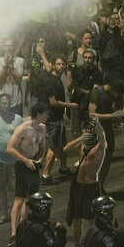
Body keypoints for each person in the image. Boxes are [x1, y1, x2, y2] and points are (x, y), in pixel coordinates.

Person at [5, 103, 48, 247]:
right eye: (45, 113)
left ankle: (23, 230)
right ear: (38, 115)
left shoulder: (42, 128)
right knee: (19, 199)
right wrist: (25, 160)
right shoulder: (23, 129)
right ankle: (13, 234)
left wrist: (39, 159)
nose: (47, 116)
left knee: (30, 199)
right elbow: (9, 148)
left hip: (33, 165)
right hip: (23, 165)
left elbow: (42, 147)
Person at [64, 119, 106, 245]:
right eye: (86, 129)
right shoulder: (82, 145)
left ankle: (93, 245)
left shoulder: (99, 147)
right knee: (77, 219)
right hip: (78, 186)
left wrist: (98, 124)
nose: (88, 132)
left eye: (90, 130)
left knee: (92, 220)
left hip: (91, 187)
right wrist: (80, 138)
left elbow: (103, 137)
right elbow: (65, 149)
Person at [0, 93, 23, 225]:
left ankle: (16, 215)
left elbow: (23, 139)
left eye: (8, 103)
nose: (6, 106)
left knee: (17, 189)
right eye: (3, 103)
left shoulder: (18, 119)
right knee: (0, 188)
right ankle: (3, 214)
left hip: (13, 161)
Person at [42, 56, 75, 185]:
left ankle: (64, 167)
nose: (61, 66)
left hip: (57, 117)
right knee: (54, 146)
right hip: (53, 117)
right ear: (53, 65)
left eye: (63, 64)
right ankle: (45, 175)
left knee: (62, 142)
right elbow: (53, 102)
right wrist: (69, 105)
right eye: (58, 64)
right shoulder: (53, 81)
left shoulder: (56, 78)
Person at [88, 79, 124, 189]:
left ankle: (100, 186)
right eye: (116, 93)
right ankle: (92, 186)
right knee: (96, 160)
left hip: (107, 129)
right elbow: (91, 114)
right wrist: (112, 115)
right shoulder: (97, 93)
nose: (116, 96)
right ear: (111, 87)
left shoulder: (111, 94)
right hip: (96, 130)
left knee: (108, 158)